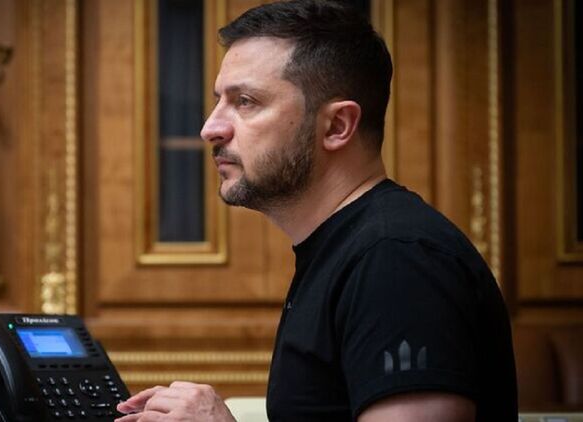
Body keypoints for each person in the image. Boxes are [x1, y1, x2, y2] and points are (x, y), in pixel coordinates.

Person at [115, 0, 518, 420]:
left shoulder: (396, 261)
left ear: (337, 126)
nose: (210, 128)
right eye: (220, 101)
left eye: (246, 101)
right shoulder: (347, 250)